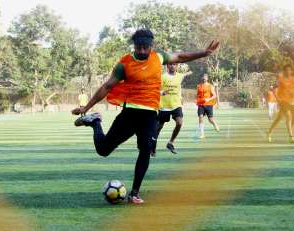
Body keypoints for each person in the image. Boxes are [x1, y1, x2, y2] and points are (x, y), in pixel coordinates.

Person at [71, 29, 219, 204]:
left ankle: (134, 193)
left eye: (145, 48)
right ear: (134, 46)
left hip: (149, 115)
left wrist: (204, 53)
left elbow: (180, 57)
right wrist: (86, 107)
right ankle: (95, 122)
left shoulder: (158, 57)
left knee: (146, 150)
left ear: (151, 46)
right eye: (138, 48)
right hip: (130, 113)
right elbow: (107, 86)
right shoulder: (124, 64)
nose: (141, 51)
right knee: (103, 150)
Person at [152, 63, 192, 156]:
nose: (172, 66)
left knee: (179, 123)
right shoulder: (163, 77)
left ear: (177, 66)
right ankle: (153, 146)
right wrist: (161, 92)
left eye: (174, 64)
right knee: (158, 128)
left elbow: (188, 73)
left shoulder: (180, 76)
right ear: (167, 66)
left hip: (176, 105)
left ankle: (170, 143)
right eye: (170, 64)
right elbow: (155, 89)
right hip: (164, 106)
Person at [267, 64, 294, 143]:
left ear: (291, 71)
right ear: (284, 71)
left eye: (289, 70)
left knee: (283, 119)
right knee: (288, 116)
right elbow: (272, 88)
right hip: (283, 101)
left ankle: (269, 132)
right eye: (286, 70)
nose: (288, 71)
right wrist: (277, 99)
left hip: (293, 101)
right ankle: (291, 137)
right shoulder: (280, 80)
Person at [196, 74, 220, 138]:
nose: (204, 78)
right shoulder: (199, 86)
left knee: (210, 119)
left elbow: (214, 95)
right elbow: (198, 95)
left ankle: (215, 124)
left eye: (205, 77)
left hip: (209, 104)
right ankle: (202, 134)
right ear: (202, 78)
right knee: (200, 117)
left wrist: (208, 99)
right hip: (201, 104)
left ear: (207, 78)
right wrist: (197, 101)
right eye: (203, 77)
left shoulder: (210, 86)